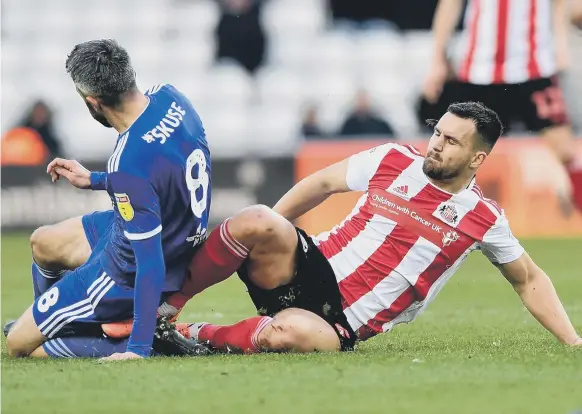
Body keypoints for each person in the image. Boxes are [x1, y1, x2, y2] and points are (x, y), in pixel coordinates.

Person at [159, 102, 581, 354]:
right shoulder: (393, 159)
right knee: (256, 218)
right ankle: (161, 311)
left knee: (295, 335)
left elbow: (528, 280)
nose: (436, 143)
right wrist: (270, 230)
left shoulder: (484, 218)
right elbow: (322, 183)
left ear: (476, 159)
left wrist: (573, 343)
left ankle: (184, 336)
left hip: (344, 321)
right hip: (309, 266)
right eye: (438, 132)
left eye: (452, 141)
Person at [5, 39, 212, 360]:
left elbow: (149, 263)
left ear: (92, 102)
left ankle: (142, 339)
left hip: (124, 271)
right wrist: (95, 180)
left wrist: (138, 349)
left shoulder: (129, 160)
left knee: (18, 344)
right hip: (171, 234)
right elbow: (156, 171)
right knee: (43, 242)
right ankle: (66, 321)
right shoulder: (172, 97)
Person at [423, 0, 582, 215]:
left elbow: (563, 4)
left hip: (534, 70)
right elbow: (450, 4)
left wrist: (561, 44)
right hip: (479, 72)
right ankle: (429, 220)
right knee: (453, 152)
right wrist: (437, 60)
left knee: (565, 151)